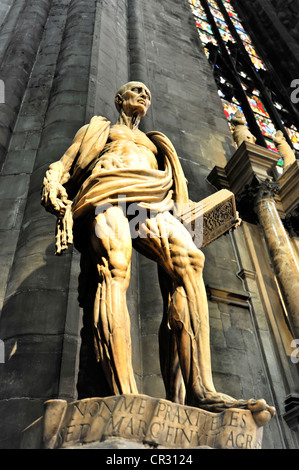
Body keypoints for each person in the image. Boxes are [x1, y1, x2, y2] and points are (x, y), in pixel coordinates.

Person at [41, 82, 275, 418]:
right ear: (119, 98)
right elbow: (63, 166)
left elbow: (181, 203)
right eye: (136, 90)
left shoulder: (155, 143)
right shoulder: (99, 130)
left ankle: (200, 391)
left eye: (148, 93)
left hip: (150, 203)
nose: (144, 95)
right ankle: (124, 394)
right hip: (106, 194)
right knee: (116, 267)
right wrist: (52, 186)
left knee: (190, 261)